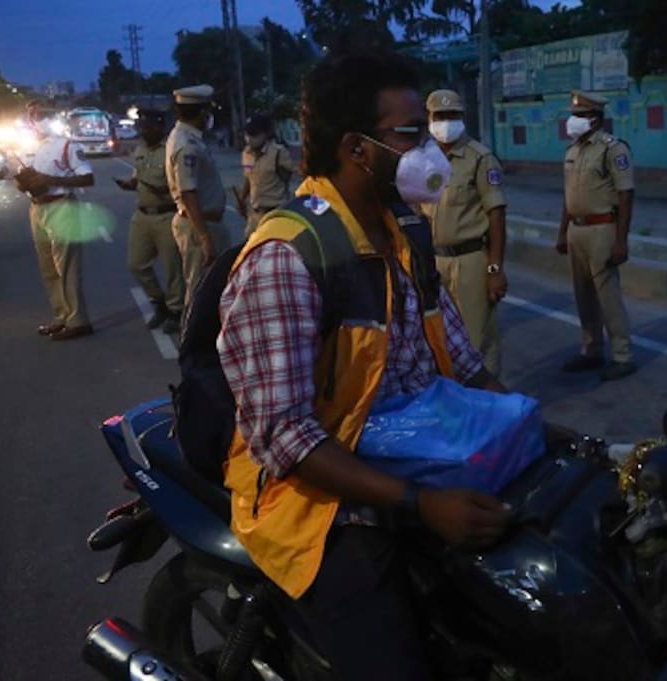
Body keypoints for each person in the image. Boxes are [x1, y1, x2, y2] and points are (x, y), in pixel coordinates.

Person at [217, 51, 510, 680]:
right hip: (318, 496)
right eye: (411, 134)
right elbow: (285, 437)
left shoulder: (405, 230)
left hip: (413, 452)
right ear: (358, 148)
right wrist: (421, 504)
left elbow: (460, 358)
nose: (430, 148)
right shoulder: (288, 258)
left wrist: (528, 423)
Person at [417, 89, 508, 375]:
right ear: (429, 118)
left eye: (452, 115)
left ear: (462, 117)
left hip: (471, 260)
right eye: (439, 116)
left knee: (477, 338)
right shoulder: (423, 158)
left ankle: (489, 405)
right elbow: (417, 210)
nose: (446, 122)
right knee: (439, 338)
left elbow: (496, 213)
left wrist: (494, 268)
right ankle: (458, 402)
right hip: (434, 261)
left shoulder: (479, 158)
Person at [556, 90, 635, 381]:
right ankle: (591, 349)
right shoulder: (573, 150)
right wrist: (562, 231)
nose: (573, 120)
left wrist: (621, 240)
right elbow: (569, 196)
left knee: (607, 295)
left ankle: (622, 354)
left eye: (579, 115)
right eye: (573, 114)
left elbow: (626, 195)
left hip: (603, 227)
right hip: (577, 228)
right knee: (583, 295)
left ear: (595, 118)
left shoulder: (612, 149)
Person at [18, 101, 94, 341]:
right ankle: (61, 316)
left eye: (38, 115)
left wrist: (48, 180)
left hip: (62, 206)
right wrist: (23, 184)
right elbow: (25, 180)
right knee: (48, 268)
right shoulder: (28, 147)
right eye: (30, 115)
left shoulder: (67, 146)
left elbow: (87, 178)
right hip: (37, 208)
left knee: (67, 267)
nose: (33, 120)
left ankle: (78, 320)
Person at [115, 108, 183, 334]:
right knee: (136, 264)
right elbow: (138, 176)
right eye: (142, 126)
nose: (144, 130)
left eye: (149, 126)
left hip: (166, 214)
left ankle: (176, 311)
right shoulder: (141, 149)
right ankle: (159, 302)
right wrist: (130, 184)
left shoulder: (171, 150)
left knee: (173, 267)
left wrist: (155, 185)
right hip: (142, 214)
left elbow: (178, 184)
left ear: (161, 127)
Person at [166, 84, 230, 305]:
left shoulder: (187, 137)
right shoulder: (187, 145)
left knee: (212, 288)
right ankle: (191, 338)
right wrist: (205, 237)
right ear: (203, 113)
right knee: (199, 290)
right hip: (200, 226)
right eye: (208, 112)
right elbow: (188, 193)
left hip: (203, 223)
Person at [236, 113, 297, 236]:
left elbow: (291, 175)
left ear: (266, 134)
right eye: (247, 134)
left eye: (254, 134)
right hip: (254, 214)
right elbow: (249, 178)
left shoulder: (278, 153)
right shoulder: (246, 154)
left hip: (275, 213)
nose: (249, 138)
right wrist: (241, 200)